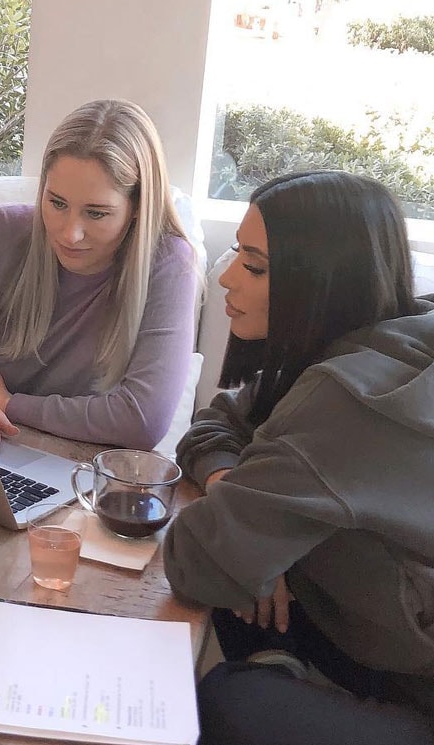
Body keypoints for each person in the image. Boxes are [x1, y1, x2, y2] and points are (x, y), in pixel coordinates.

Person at [163, 171, 434, 744]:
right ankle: (284, 661)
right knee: (249, 586)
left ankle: (284, 671)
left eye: (256, 266)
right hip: (377, 636)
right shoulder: (393, 337)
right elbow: (218, 421)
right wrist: (235, 486)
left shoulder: (346, 399)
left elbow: (193, 559)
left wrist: (247, 537)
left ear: (325, 282)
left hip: (413, 689)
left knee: (225, 701)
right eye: (238, 252)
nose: (227, 276)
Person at [0, 99, 199, 448]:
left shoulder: (169, 263)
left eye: (96, 213)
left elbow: (142, 420)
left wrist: (8, 403)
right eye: (57, 203)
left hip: (77, 467)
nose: (69, 233)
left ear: (137, 208)